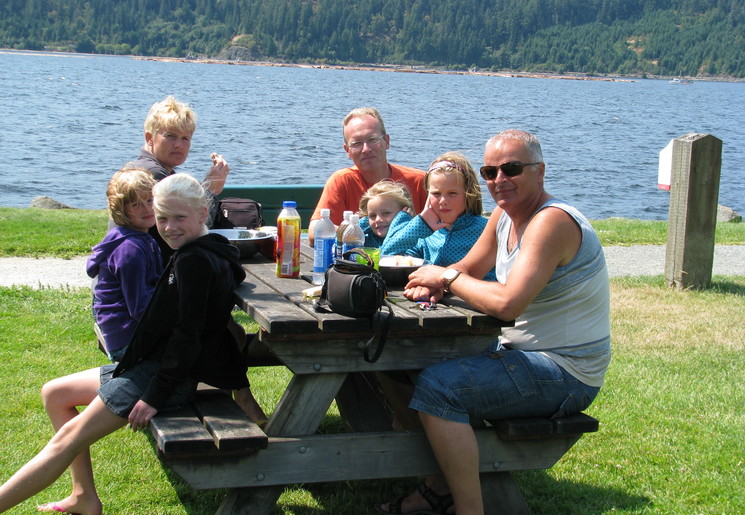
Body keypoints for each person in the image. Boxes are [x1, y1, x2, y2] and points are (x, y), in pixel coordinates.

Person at [0, 174, 266, 515]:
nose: (168, 227)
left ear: (202, 213)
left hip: (161, 376)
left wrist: (155, 395)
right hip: (151, 365)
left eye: (179, 217)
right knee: (55, 392)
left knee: (66, 440)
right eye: (162, 217)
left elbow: (188, 335)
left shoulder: (194, 261)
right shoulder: (210, 247)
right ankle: (83, 497)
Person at [377, 130, 611, 514]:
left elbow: (506, 303)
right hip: (516, 352)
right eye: (490, 171)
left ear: (540, 172)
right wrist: (437, 283)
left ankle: (467, 507)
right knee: (399, 361)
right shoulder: (504, 215)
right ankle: (437, 488)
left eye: (512, 169)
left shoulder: (551, 222)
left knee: (439, 387)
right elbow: (469, 266)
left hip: (566, 371)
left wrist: (446, 278)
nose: (499, 180)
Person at [125, 95, 230, 256]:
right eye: (170, 136)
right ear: (149, 138)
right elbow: (189, 233)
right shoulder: (152, 175)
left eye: (185, 138)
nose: (178, 145)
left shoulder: (141, 168)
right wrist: (210, 189)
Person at [308, 107, 427, 245]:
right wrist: (362, 235)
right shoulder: (342, 181)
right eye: (357, 143)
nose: (366, 149)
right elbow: (314, 232)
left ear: (386, 142)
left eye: (372, 139)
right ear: (347, 150)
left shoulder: (419, 181)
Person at [379, 151, 496, 280]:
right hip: (428, 297)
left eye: (452, 193)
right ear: (428, 194)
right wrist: (421, 223)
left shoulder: (485, 229)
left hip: (467, 296)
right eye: (436, 193)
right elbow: (386, 254)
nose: (443, 201)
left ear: (468, 194)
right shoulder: (425, 232)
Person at [87, 168, 163, 362]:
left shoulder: (141, 238)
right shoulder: (130, 249)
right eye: (136, 204)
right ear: (121, 209)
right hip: (126, 338)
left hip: (129, 330)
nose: (147, 209)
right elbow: (139, 309)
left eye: (149, 200)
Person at [358, 179, 415, 247]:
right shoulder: (367, 238)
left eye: (386, 213)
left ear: (405, 212)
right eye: (372, 215)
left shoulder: (413, 239)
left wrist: (401, 221)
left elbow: (388, 252)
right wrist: (357, 226)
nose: (378, 219)